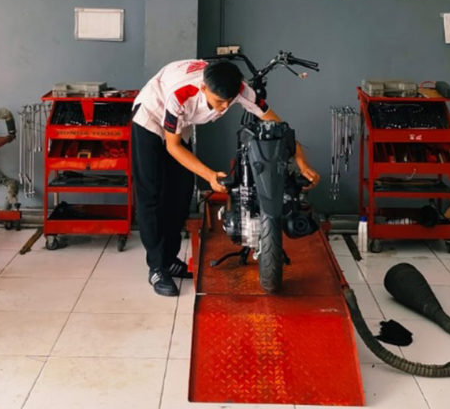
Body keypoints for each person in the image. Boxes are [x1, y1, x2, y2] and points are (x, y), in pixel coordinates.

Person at [131, 59, 319, 296]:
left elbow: (279, 125)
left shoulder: (241, 90)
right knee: (151, 194)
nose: (224, 107)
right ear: (203, 88)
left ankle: (169, 259)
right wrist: (210, 175)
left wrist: (302, 161)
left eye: (229, 101)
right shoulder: (181, 94)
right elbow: (173, 146)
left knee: (181, 192)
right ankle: (157, 268)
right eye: (219, 101)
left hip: (180, 121)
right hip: (151, 114)